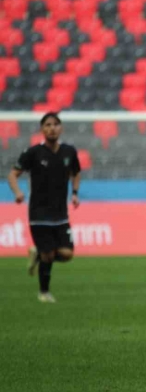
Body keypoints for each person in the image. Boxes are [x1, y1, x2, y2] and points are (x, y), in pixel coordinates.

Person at [7, 112, 81, 303]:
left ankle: (36, 254)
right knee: (48, 255)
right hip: (38, 214)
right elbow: (13, 174)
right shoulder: (33, 153)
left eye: (55, 124)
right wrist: (17, 193)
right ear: (42, 129)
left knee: (67, 254)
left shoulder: (69, 151)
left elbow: (76, 172)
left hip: (61, 214)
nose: (52, 128)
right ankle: (44, 292)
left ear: (61, 128)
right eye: (48, 125)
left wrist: (75, 193)